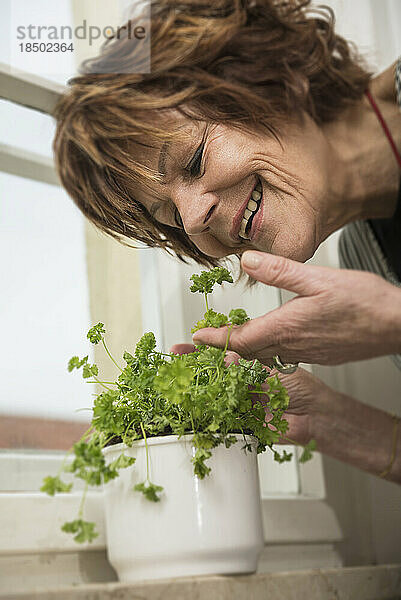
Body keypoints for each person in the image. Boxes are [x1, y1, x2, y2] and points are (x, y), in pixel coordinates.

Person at [52, 0, 401, 482]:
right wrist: (325, 419)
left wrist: (390, 320)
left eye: (194, 159)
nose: (194, 220)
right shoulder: (368, 258)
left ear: (274, 79)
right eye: (171, 216)